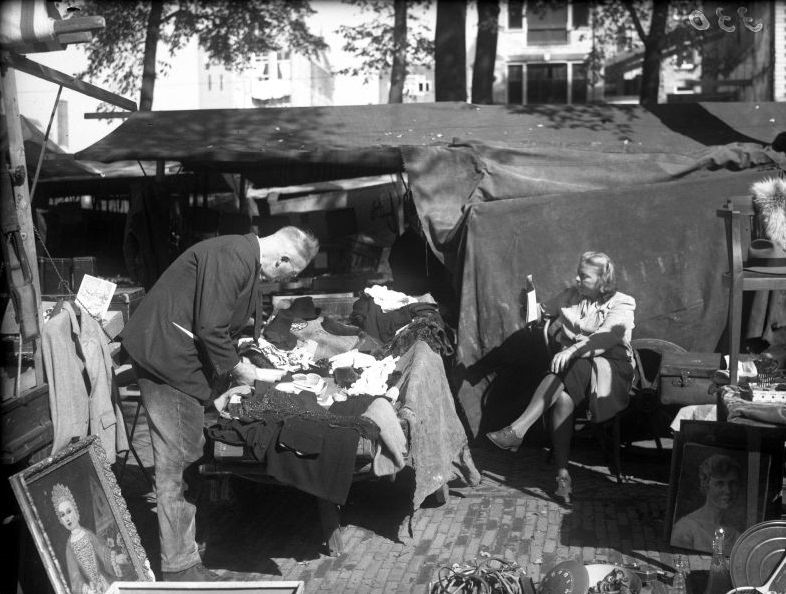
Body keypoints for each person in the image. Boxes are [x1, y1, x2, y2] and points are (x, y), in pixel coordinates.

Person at [120, 226, 319, 581]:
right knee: (179, 461)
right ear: (283, 259)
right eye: (285, 276)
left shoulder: (241, 256)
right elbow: (211, 327)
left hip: (176, 357)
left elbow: (219, 325)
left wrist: (230, 375)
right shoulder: (234, 256)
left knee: (189, 451)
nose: (279, 283)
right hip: (166, 357)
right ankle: (180, 568)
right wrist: (241, 372)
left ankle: (186, 548)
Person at [485, 251, 636, 505]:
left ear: (603, 279)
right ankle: (563, 475)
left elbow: (605, 338)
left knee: (573, 363)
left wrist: (571, 350)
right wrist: (530, 304)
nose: (577, 279)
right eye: (577, 273)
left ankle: (518, 429)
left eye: (584, 276)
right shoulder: (569, 297)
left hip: (609, 369)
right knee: (563, 398)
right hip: (573, 369)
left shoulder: (623, 303)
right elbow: (540, 312)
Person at [51, 483, 129, 593]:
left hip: (106, 582)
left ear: (76, 511)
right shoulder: (69, 547)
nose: (67, 518)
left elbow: (102, 552)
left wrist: (115, 559)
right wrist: (87, 590)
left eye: (69, 511)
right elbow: (75, 578)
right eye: (62, 515)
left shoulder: (88, 534)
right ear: (61, 521)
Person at [670, 454, 742, 552]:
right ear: (706, 485)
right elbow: (679, 562)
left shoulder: (735, 535)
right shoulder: (686, 529)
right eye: (720, 484)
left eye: (733, 483)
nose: (728, 490)